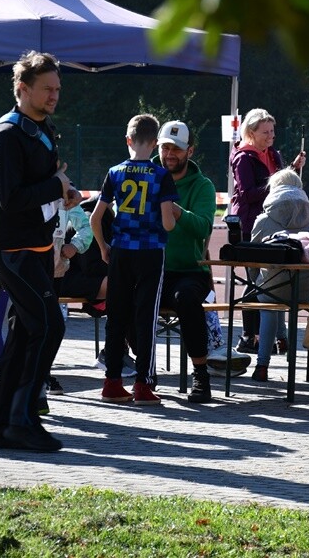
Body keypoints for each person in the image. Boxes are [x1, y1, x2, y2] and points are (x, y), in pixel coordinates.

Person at [0, 51, 79, 452]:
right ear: (22, 90)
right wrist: (55, 187)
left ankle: (4, 423)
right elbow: (10, 197)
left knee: (29, 331)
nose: (55, 95)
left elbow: (45, 181)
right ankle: (19, 419)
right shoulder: (7, 134)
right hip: (14, 249)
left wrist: (64, 191)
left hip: (39, 246)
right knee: (47, 326)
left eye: (57, 88)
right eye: (47, 89)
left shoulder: (41, 127)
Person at [91, 114, 177, 405]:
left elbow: (95, 217)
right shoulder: (161, 176)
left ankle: (112, 381)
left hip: (121, 250)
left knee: (116, 316)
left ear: (128, 140)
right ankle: (144, 383)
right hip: (150, 251)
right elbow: (167, 224)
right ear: (155, 144)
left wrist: (104, 246)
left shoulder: (114, 172)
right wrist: (174, 215)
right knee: (146, 316)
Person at [230, 108, 306, 353]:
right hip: (251, 225)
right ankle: (248, 335)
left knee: (271, 280)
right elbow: (247, 193)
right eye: (265, 132)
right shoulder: (243, 158)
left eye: (272, 131)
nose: (271, 136)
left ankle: (272, 337)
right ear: (251, 133)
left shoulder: (273, 154)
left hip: (275, 224)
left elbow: (283, 183)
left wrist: (292, 169)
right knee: (255, 281)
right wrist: (277, 187)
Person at [153, 120, 218, 402]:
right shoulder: (146, 175)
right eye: (165, 147)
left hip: (190, 271)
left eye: (177, 149)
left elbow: (203, 228)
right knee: (123, 293)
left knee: (187, 299)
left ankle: (201, 375)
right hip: (152, 267)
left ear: (189, 151)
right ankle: (139, 368)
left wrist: (174, 210)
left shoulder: (203, 186)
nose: (170, 154)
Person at [249, 169, 309, 382]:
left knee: (270, 294)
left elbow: (252, 258)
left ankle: (262, 366)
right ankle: (286, 341)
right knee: (283, 287)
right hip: (306, 289)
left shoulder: (263, 220)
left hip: (272, 288)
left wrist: (255, 282)